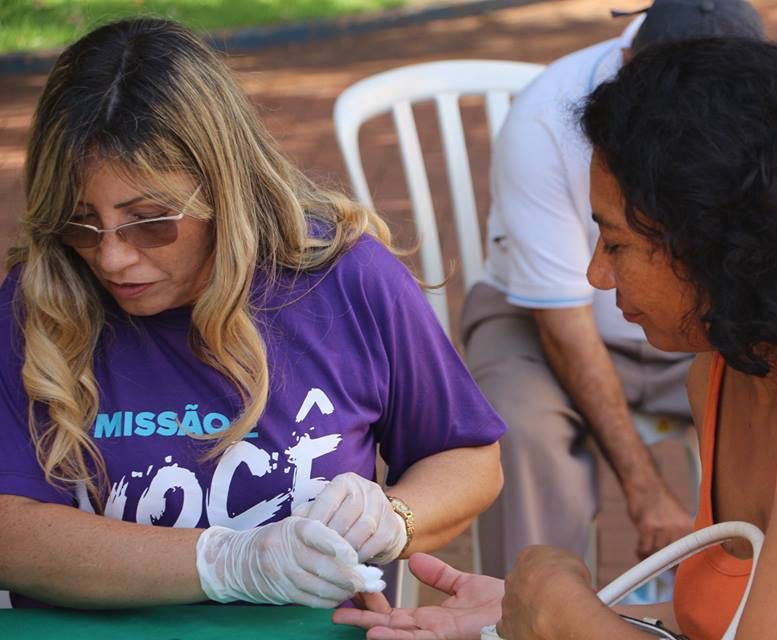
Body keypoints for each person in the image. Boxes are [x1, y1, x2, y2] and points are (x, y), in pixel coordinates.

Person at [335, 37, 777, 639]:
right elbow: (727, 620)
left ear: (719, 242)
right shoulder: (724, 367)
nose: (596, 274)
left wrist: (565, 617)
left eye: (617, 243)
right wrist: (517, 615)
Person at [0, 18, 505, 609]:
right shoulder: (38, 301)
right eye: (78, 222)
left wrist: (394, 517)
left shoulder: (346, 278)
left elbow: (466, 456)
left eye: (150, 221)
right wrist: (224, 563)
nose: (111, 257)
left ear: (225, 192)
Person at [466, 0, 766, 578]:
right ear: (628, 63)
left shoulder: (756, 113)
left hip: (702, 321)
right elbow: (564, 317)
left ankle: (754, 600)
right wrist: (645, 487)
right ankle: (530, 604)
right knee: (520, 427)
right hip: (546, 323)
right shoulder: (547, 121)